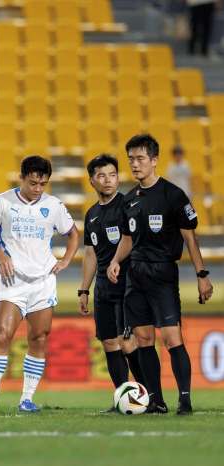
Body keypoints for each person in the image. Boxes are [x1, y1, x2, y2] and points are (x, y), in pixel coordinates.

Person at [107, 134, 213, 415]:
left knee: (171, 338)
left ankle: (185, 400)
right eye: (131, 159)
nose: (135, 164)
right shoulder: (129, 200)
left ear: (154, 161)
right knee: (143, 339)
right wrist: (116, 260)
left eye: (140, 158)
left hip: (163, 273)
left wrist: (202, 274)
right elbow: (127, 239)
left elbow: (190, 239)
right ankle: (156, 400)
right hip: (135, 275)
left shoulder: (173, 194)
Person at [0, 155, 80, 413]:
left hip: (43, 282)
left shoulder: (53, 205)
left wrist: (66, 259)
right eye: (33, 183)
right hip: (13, 281)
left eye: (43, 184)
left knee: (39, 338)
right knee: (2, 335)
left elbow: (74, 235)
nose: (37, 189)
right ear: (21, 178)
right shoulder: (2, 201)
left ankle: (27, 399)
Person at [78, 154, 146, 413]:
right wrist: (84, 290)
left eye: (113, 174)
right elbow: (90, 254)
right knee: (109, 344)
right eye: (102, 176)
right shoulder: (92, 214)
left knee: (128, 343)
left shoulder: (129, 204)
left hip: (127, 287)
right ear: (91, 181)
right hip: (103, 289)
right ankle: (123, 400)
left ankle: (147, 396)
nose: (108, 180)